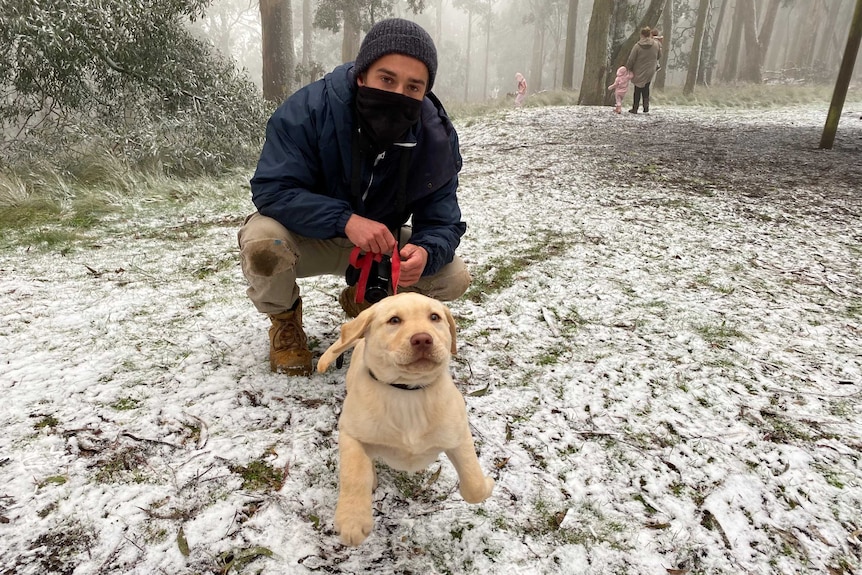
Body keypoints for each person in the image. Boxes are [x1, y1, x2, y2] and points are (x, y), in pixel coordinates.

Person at [238, 18, 471, 376]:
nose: (398, 94)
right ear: (362, 75)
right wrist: (344, 220)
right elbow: (273, 189)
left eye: (413, 87)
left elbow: (442, 221)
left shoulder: (434, 137)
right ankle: (284, 322)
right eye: (387, 79)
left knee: (452, 275)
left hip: (378, 249)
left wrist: (425, 250)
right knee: (262, 243)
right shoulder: (308, 110)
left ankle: (366, 299)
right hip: (307, 238)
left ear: (425, 93)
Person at [626, 26, 662, 114]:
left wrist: (628, 68)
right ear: (649, 34)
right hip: (650, 69)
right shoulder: (656, 44)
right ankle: (646, 107)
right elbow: (659, 55)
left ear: (641, 35)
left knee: (637, 89)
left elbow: (631, 59)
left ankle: (635, 108)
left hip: (639, 69)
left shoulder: (637, 46)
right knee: (646, 87)